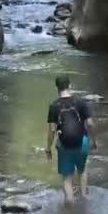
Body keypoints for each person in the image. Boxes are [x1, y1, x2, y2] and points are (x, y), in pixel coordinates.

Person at [45, 75, 96, 203]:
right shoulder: (80, 102)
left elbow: (52, 130)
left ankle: (70, 208)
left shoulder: (54, 105)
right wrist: (94, 140)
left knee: (67, 178)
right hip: (82, 142)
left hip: (64, 145)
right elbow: (90, 124)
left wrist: (48, 148)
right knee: (82, 170)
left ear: (56, 88)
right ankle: (84, 200)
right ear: (70, 85)